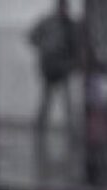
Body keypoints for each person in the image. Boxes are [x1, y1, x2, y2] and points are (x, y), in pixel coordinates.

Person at [29, 0, 79, 133]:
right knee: (47, 100)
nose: (64, 10)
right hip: (50, 67)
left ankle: (70, 129)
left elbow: (76, 45)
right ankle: (39, 128)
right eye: (62, 7)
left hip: (63, 67)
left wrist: (73, 62)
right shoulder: (47, 22)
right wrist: (45, 47)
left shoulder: (70, 24)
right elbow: (32, 36)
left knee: (66, 102)